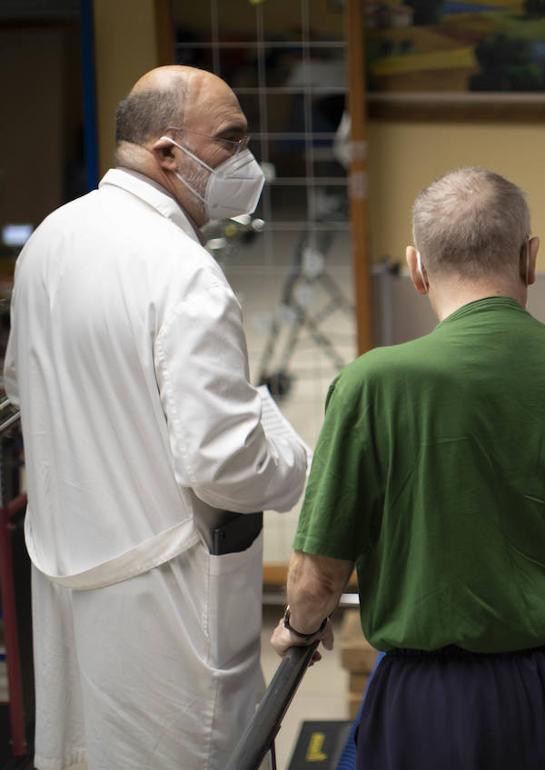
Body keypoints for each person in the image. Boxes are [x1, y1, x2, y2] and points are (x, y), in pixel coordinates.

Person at [271, 167, 545, 770]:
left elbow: (318, 581)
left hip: (438, 699)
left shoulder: (373, 384)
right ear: (530, 258)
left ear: (416, 267)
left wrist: (298, 630)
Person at [4, 66, 310, 769]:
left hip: (67, 569)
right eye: (230, 140)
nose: (246, 161)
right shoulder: (182, 269)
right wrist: (297, 459)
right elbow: (225, 466)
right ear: (167, 153)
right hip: (166, 591)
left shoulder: (51, 238)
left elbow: (22, 383)